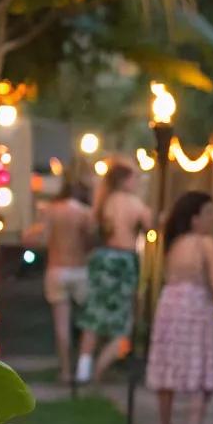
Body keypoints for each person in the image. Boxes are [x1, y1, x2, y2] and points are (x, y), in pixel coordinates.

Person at [146, 191, 213, 424]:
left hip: (169, 305)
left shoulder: (173, 244)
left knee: (168, 367)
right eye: (209, 213)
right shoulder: (206, 243)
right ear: (195, 219)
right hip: (196, 308)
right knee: (202, 367)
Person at [76, 162, 151, 384]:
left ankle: (83, 369)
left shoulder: (103, 202)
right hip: (123, 261)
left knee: (94, 317)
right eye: (134, 178)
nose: (137, 183)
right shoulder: (133, 203)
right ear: (125, 180)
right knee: (123, 322)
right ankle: (99, 370)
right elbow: (149, 226)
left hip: (102, 259)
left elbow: (91, 228)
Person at [24, 176, 94, 382]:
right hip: (80, 270)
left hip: (56, 270)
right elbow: (91, 240)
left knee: (61, 325)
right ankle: (83, 364)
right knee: (89, 321)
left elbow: (40, 238)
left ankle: (65, 371)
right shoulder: (85, 213)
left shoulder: (51, 210)